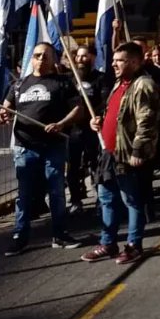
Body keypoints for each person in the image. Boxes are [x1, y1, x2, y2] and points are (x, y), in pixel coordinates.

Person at [82, 42, 160, 265]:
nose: (113, 64)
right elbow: (115, 113)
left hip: (127, 154)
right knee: (107, 199)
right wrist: (99, 121)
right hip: (109, 153)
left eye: (120, 60)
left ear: (135, 62)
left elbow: (146, 121)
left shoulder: (143, 84)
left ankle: (134, 245)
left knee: (132, 201)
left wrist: (138, 150)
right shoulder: (120, 83)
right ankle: (108, 243)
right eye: (114, 60)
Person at [0, 43, 84, 256]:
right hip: (24, 147)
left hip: (53, 146)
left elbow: (78, 108)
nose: (40, 59)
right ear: (31, 59)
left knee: (56, 191)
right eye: (37, 55)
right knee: (24, 194)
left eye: (45, 56)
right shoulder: (19, 85)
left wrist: (62, 123)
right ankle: (20, 236)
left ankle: (59, 234)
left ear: (53, 59)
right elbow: (6, 105)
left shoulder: (63, 83)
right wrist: (4, 113)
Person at [67, 44, 104, 214]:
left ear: (93, 58)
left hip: (94, 129)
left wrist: (93, 116)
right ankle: (76, 200)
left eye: (85, 56)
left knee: (96, 164)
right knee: (74, 166)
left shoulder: (100, 78)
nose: (81, 59)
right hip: (73, 131)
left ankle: (100, 198)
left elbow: (104, 102)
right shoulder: (69, 79)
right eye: (79, 56)